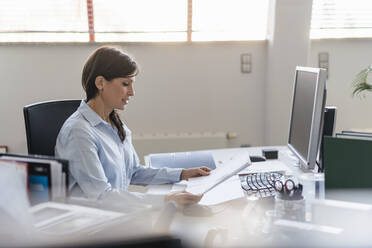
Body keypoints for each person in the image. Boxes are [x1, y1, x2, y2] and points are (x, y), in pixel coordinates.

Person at [55, 46, 211, 208]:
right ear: (100, 83)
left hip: (116, 213)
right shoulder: (79, 132)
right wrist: (166, 199)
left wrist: (182, 174)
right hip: (93, 222)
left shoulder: (114, 123)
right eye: (125, 84)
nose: (132, 92)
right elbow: (101, 197)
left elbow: (134, 172)